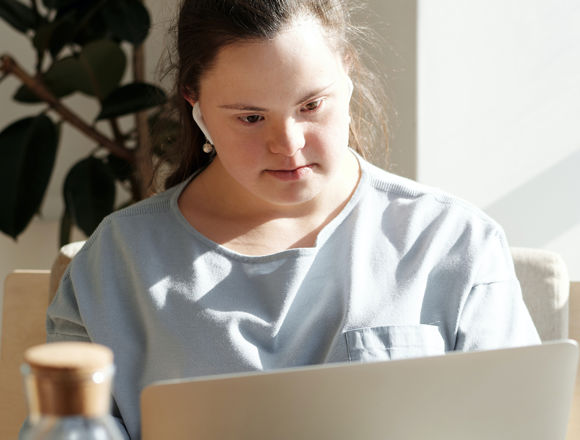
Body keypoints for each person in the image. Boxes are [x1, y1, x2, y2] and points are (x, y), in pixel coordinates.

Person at [44, 0, 540, 438]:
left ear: (347, 72)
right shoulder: (117, 262)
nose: (289, 144)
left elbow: (521, 426)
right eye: (250, 117)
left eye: (311, 105)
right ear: (194, 103)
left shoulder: (452, 242)